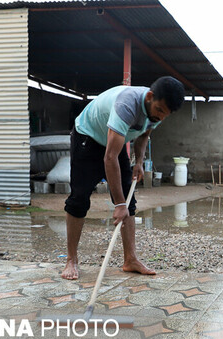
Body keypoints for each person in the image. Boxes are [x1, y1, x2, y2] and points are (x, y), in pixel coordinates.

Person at [61, 76, 185, 280]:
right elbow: (109, 158)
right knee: (79, 199)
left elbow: (144, 134)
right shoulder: (127, 104)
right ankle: (71, 260)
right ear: (150, 97)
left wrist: (138, 162)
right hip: (88, 137)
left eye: (166, 115)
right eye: (160, 111)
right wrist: (118, 204)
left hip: (113, 141)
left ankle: (130, 259)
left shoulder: (157, 112)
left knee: (130, 200)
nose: (161, 117)